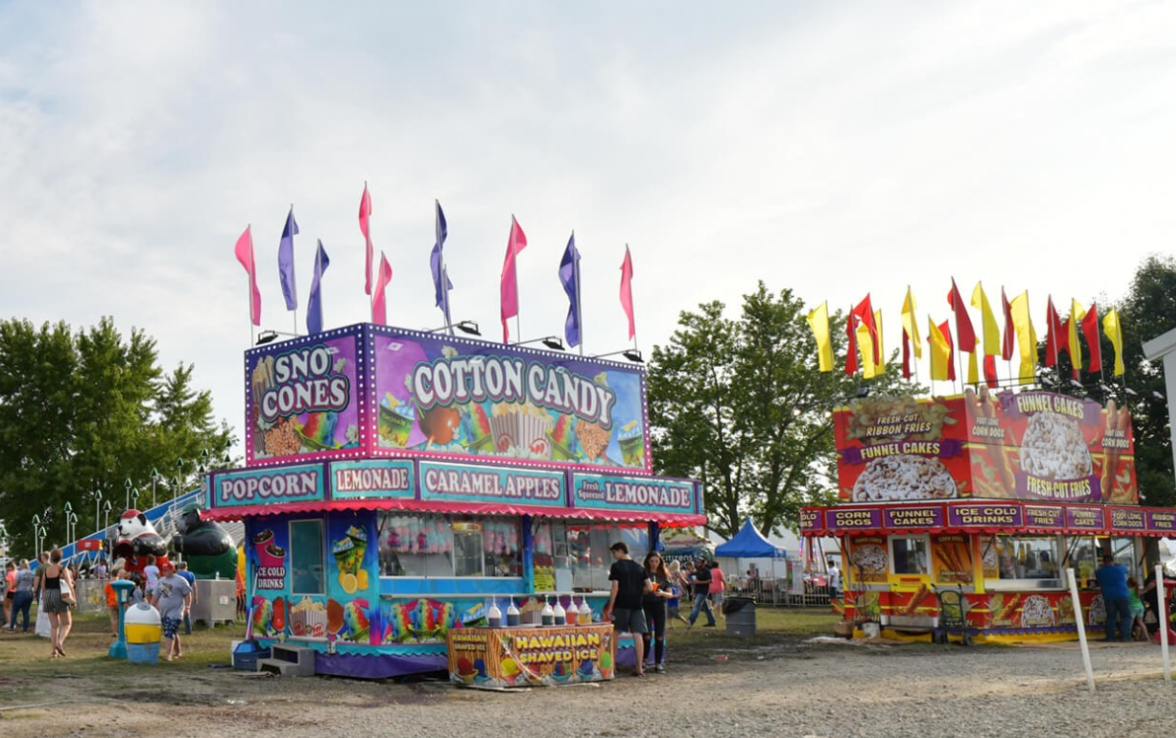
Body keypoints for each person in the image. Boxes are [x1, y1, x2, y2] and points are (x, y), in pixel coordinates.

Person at [603, 541, 651, 677]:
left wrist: (610, 607)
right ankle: (639, 668)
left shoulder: (617, 567)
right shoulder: (639, 567)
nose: (614, 555)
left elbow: (615, 588)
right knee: (638, 634)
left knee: (616, 632)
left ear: (620, 550)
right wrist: (639, 593)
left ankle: (612, 666)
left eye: (614, 552)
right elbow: (650, 587)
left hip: (621, 604)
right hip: (637, 604)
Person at [150, 561, 192, 661]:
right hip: (164, 612)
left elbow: (187, 594)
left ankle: (168, 655)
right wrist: (150, 608)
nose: (165, 572)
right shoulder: (161, 581)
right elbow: (155, 596)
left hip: (176, 612)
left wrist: (187, 607)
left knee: (169, 631)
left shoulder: (180, 581)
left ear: (172, 570)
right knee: (173, 631)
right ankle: (178, 652)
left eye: (167, 570)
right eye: (163, 570)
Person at [641, 552, 674, 673]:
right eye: (651, 561)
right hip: (647, 605)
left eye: (656, 561)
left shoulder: (664, 575)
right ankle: (644, 660)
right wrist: (647, 590)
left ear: (660, 562)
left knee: (659, 635)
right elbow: (640, 591)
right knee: (647, 634)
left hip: (660, 605)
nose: (654, 564)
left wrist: (662, 593)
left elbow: (670, 594)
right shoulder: (644, 574)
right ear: (648, 562)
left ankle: (658, 663)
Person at [41, 549, 75, 658]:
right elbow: (70, 584)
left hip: (48, 595)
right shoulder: (62, 569)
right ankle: (59, 643)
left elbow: (43, 585)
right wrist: (73, 598)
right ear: (61, 558)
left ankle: (53, 651)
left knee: (54, 625)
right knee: (67, 623)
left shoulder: (46, 570)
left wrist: (44, 596)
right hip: (60, 595)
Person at [1094, 553, 1131, 643]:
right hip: (1122, 595)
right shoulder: (1120, 569)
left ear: (1103, 562)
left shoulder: (1099, 572)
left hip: (1108, 596)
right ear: (1112, 561)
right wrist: (1116, 564)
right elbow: (1127, 569)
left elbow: (1097, 575)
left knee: (1111, 617)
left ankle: (1111, 637)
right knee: (1125, 616)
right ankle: (1125, 637)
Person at [8, 559, 36, 632]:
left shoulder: (19, 573)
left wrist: (11, 587)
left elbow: (15, 583)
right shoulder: (32, 573)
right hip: (29, 593)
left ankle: (11, 628)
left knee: (14, 611)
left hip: (20, 592)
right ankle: (25, 629)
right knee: (26, 612)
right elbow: (34, 583)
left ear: (20, 565)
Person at [688, 558, 716, 628]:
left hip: (703, 591)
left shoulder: (706, 571)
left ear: (703, 563)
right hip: (698, 590)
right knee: (705, 607)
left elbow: (711, 580)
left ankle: (690, 621)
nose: (697, 564)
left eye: (699, 562)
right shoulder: (698, 571)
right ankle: (712, 621)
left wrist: (699, 582)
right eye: (697, 562)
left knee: (696, 605)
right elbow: (693, 580)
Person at [176, 561, 198, 634]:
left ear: (179, 567)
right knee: (187, 611)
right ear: (186, 567)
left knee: (177, 611)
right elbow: (194, 586)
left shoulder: (177, 574)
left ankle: (175, 628)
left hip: (178, 594)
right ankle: (188, 629)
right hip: (188, 594)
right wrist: (195, 596)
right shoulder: (190, 574)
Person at [666, 560, 689, 627]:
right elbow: (681, 579)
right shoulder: (676, 571)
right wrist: (687, 582)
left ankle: (671, 625)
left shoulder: (668, 571)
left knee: (669, 607)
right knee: (673, 606)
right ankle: (686, 622)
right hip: (675, 588)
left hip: (669, 588)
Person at [104, 567, 126, 637]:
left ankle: (114, 632)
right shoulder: (120, 583)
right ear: (118, 574)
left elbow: (106, 593)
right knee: (121, 617)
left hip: (111, 602)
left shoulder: (108, 583)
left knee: (114, 618)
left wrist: (107, 601)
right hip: (119, 602)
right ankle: (121, 631)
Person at [1128, 576, 1148, 641]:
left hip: (1133, 607)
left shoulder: (1128, 590)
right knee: (1141, 622)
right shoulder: (1137, 589)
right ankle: (1146, 636)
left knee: (1130, 623)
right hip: (1140, 607)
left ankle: (1127, 636)